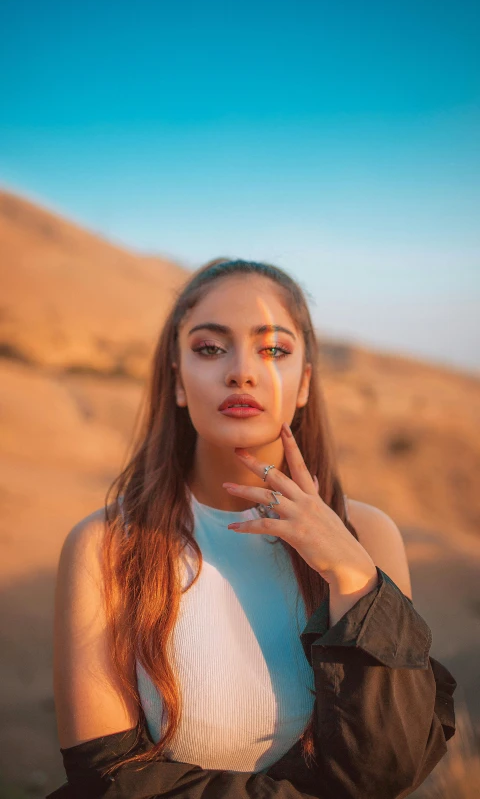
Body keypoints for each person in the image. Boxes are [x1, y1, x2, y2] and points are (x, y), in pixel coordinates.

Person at [48, 258, 457, 799]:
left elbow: (390, 769)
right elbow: (109, 779)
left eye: (274, 350)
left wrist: (353, 573)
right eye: (210, 348)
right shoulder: (104, 545)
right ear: (176, 380)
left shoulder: (370, 536)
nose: (241, 371)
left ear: (304, 383)